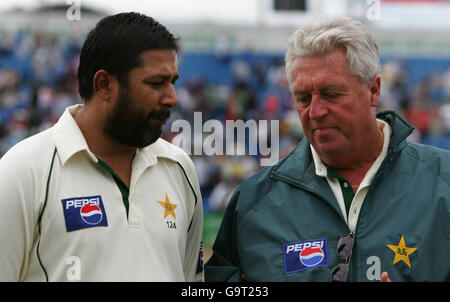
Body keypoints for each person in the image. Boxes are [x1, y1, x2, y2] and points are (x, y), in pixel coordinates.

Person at [205, 16, 450, 282]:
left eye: (332, 94)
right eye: (302, 98)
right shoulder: (252, 202)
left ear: (374, 89)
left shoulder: (443, 181)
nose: (315, 112)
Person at [0, 12, 203, 282]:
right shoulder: (22, 171)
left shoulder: (180, 169)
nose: (172, 98)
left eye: (172, 82)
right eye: (156, 83)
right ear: (104, 84)